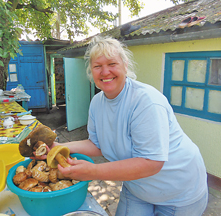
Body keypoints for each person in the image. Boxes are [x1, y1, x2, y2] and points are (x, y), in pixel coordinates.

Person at [34, 36, 208, 216]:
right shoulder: (97, 103)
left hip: (177, 191)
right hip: (137, 186)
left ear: (125, 65)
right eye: (97, 66)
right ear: (91, 72)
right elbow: (98, 144)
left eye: (112, 64)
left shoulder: (145, 102)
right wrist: (58, 147)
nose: (105, 71)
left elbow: (152, 163)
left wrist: (93, 172)